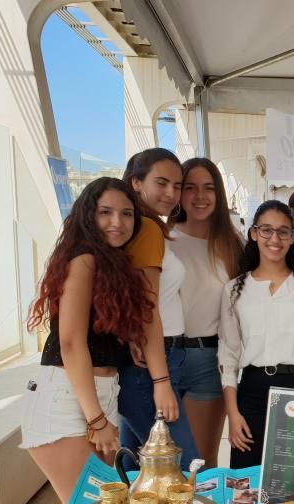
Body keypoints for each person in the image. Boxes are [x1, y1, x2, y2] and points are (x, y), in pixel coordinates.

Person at [21, 178, 153, 504]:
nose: (117, 222)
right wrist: (96, 419)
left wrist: (127, 341)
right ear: (87, 215)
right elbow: (70, 344)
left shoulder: (109, 262)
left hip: (95, 394)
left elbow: (98, 327)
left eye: (126, 214)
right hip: (68, 398)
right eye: (105, 212)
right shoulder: (83, 258)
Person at [220, 200, 294, 468]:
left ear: (293, 237)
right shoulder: (235, 289)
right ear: (253, 233)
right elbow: (228, 355)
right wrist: (232, 412)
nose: (275, 238)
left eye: (284, 231)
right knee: (246, 483)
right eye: (266, 230)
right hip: (253, 391)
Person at [121, 148, 199, 467]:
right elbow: (148, 307)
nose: (171, 193)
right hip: (153, 363)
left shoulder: (145, 228)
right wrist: (161, 381)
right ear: (136, 183)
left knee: (131, 469)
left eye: (177, 185)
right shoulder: (147, 228)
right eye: (161, 183)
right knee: (188, 470)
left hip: (150, 360)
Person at [167, 158, 244, 467]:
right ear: (179, 193)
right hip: (162, 360)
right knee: (162, 463)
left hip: (208, 360)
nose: (200, 196)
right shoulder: (163, 238)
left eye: (209, 188)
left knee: (199, 463)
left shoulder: (231, 243)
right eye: (191, 187)